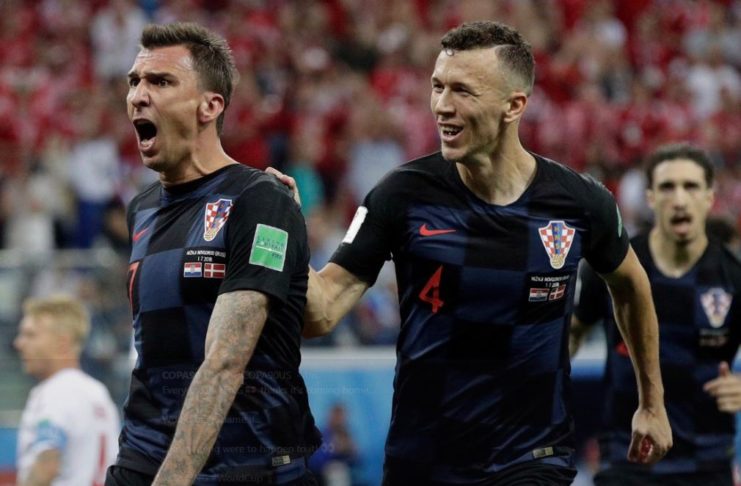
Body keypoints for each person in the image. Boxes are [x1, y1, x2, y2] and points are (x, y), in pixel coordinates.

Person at [272, 20, 672, 485]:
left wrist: (652, 403)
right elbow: (320, 313)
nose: (442, 105)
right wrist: (288, 234)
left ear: (513, 105)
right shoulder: (401, 195)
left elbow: (631, 286)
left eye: (462, 91)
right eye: (437, 86)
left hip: (532, 456)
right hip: (423, 459)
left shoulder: (579, 202)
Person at [107, 22, 320, 486]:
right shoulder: (142, 209)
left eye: (161, 81)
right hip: (142, 456)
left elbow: (225, 364)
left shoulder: (260, 200)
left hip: (245, 466)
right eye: (134, 81)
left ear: (210, 105)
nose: (138, 96)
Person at [571, 143, 741, 485]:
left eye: (690, 186)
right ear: (650, 197)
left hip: (707, 463)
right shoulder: (614, 269)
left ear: (709, 197)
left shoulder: (733, 276)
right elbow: (572, 335)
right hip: (627, 456)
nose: (679, 199)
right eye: (667, 187)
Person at [14, 296, 120, 486]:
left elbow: (46, 466)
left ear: (62, 343)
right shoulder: (98, 392)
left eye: (30, 335)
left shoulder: (56, 392)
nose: (19, 343)